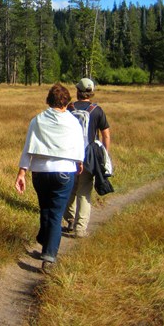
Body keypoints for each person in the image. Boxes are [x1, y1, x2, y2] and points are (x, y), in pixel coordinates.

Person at [15, 83, 84, 273]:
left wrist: (22, 172)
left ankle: (44, 239)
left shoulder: (37, 120)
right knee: (55, 213)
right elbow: (80, 145)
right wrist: (79, 162)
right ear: (67, 102)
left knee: (45, 208)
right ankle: (49, 256)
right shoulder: (73, 122)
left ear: (48, 100)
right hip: (64, 171)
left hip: (40, 172)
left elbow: (28, 146)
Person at [63, 77, 111, 238]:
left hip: (69, 155)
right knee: (84, 191)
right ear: (91, 93)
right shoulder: (97, 110)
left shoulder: (69, 108)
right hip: (88, 156)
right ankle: (80, 229)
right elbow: (106, 135)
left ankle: (69, 220)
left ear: (77, 92)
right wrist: (104, 155)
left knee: (69, 189)